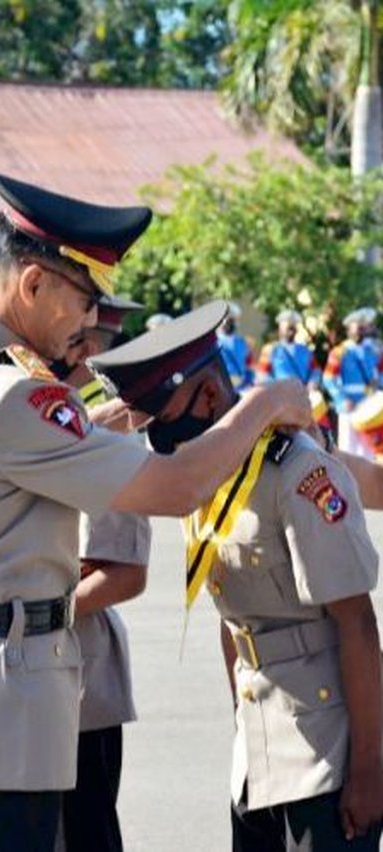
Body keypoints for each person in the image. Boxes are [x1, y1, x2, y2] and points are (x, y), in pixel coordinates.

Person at [0, 175, 311, 851]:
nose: (90, 323)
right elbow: (176, 486)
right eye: (85, 299)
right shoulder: (17, 398)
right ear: (33, 285)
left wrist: (99, 421)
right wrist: (265, 405)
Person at [90, 300, 383, 852]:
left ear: (206, 396)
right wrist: (241, 724)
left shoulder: (298, 473)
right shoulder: (208, 476)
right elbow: (234, 624)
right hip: (258, 752)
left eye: (162, 413)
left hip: (327, 750)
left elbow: (359, 626)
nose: (156, 433)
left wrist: (370, 768)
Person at [61, 294, 150, 852]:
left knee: (84, 833)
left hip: (81, 683)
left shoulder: (111, 436)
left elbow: (126, 575)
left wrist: (34, 611)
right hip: (23, 674)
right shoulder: (37, 416)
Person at [323, 308, 383, 457]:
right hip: (349, 406)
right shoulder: (339, 352)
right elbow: (328, 379)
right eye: (358, 328)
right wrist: (342, 399)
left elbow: (380, 373)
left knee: (369, 450)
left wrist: (378, 384)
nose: (361, 332)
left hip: (370, 403)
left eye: (363, 328)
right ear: (349, 329)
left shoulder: (373, 350)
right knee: (348, 447)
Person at [256, 309, 321, 388]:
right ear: (280, 329)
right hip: (279, 395)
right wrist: (276, 388)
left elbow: (316, 370)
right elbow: (262, 374)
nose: (291, 332)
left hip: (301, 394)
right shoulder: (270, 350)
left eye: (293, 329)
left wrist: (312, 383)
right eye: (288, 328)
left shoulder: (305, 351)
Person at [217, 301, 255, 393]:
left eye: (231, 321)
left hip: (242, 386)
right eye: (225, 320)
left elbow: (248, 365)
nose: (227, 323)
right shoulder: (214, 342)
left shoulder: (242, 342)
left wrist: (249, 381)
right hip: (221, 384)